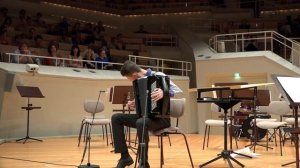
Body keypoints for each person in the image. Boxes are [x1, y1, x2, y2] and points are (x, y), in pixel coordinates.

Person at [111, 60, 182, 168]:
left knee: (141, 122)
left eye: (127, 77)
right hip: (144, 118)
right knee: (116, 118)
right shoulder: (139, 82)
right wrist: (135, 103)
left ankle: (144, 163)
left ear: (133, 74)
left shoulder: (158, 75)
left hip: (161, 119)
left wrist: (164, 92)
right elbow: (145, 101)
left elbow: (178, 90)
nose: (128, 80)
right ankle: (125, 157)